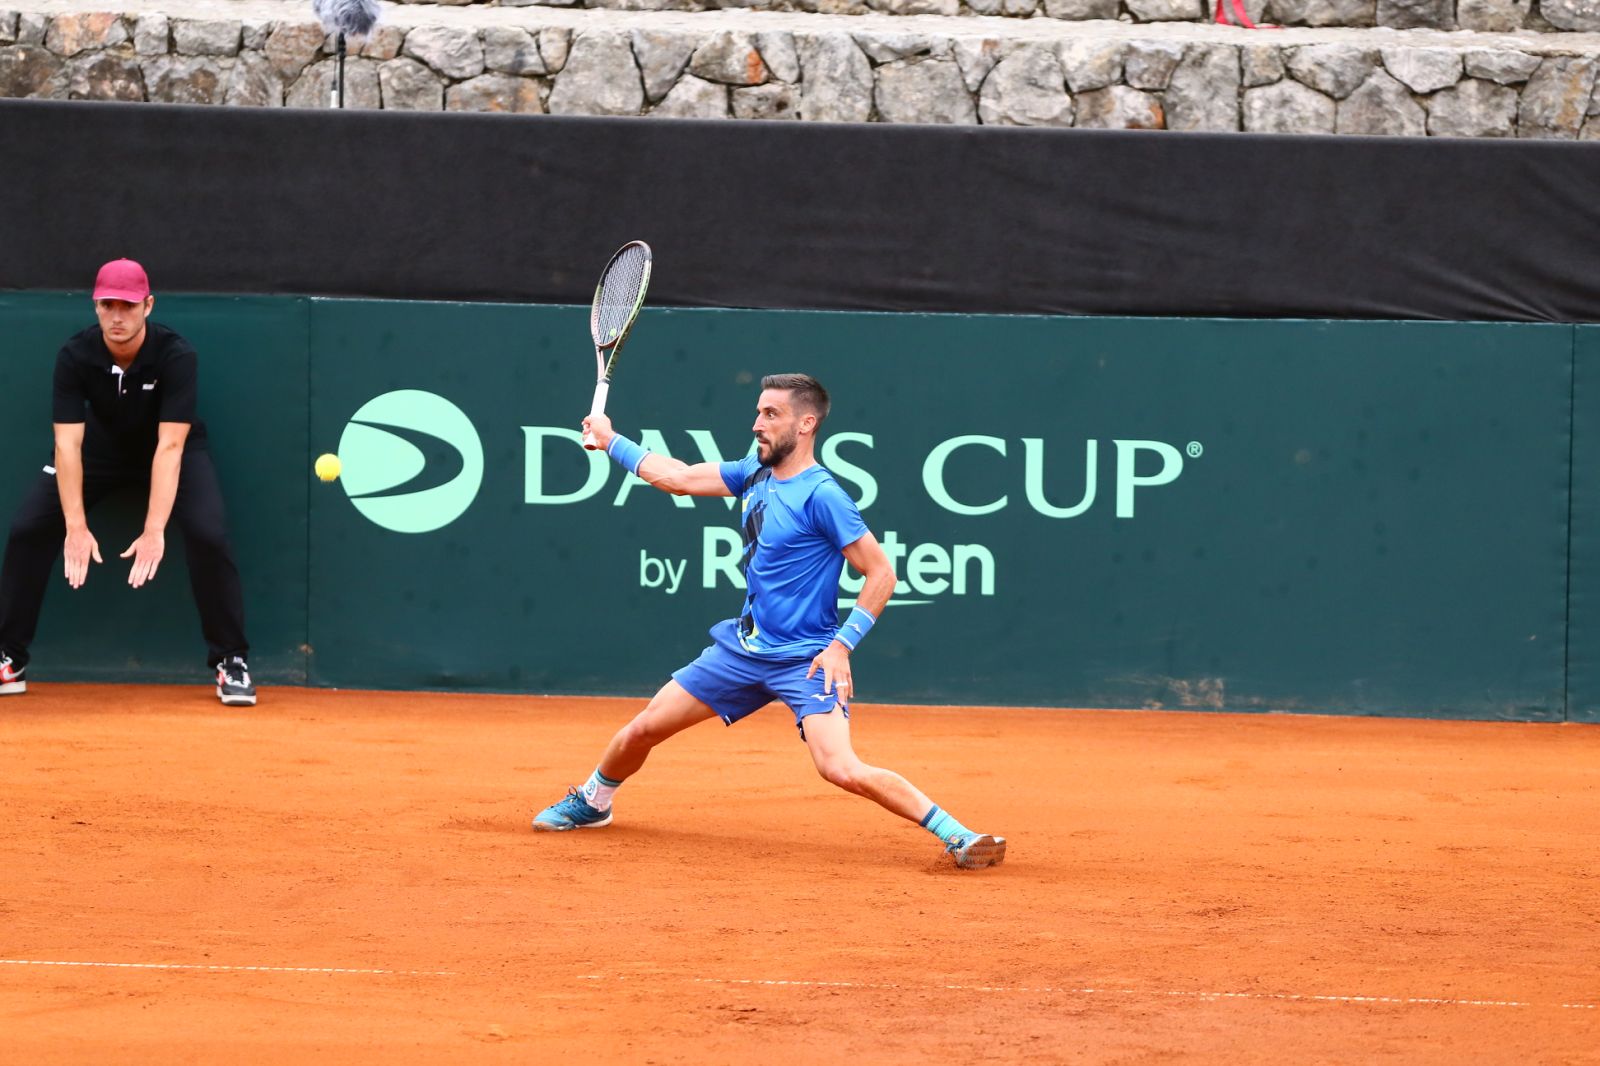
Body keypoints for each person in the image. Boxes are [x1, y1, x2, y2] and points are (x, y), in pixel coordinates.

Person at [532, 373, 1004, 869]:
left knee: (839, 768)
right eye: (758, 412)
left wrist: (841, 646)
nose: (757, 423)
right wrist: (611, 441)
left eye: (770, 414)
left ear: (806, 424)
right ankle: (593, 802)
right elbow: (677, 477)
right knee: (641, 730)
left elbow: (882, 572)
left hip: (806, 659)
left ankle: (960, 835)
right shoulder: (753, 472)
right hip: (742, 650)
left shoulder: (823, 495)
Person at [0, 259, 256, 706]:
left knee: (208, 534)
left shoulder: (177, 355)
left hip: (174, 449)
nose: (117, 316)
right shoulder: (75, 355)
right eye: (107, 305)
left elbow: (170, 448)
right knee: (28, 530)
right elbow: (66, 447)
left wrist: (155, 529)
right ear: (95, 307)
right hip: (100, 452)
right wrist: (75, 527)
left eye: (128, 305)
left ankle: (230, 661)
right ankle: (9, 657)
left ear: (148, 305)